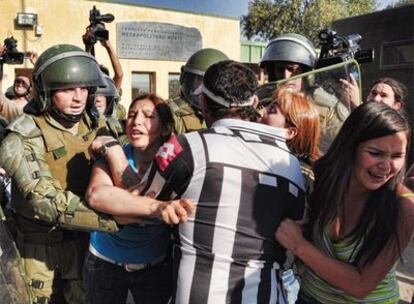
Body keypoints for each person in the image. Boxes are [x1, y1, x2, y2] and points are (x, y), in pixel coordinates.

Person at [127, 60, 306, 303]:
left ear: (202, 103)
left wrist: (111, 154)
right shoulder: (292, 165)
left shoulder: (184, 147)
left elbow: (140, 204)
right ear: (254, 103)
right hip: (268, 294)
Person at [0, 44, 119, 304]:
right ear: (46, 91)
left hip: (85, 244)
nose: (78, 97)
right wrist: (118, 218)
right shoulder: (24, 134)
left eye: (84, 88)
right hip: (38, 249)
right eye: (67, 89)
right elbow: (42, 201)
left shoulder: (97, 123)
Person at [275, 102, 414, 303]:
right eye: (375, 153)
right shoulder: (321, 176)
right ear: (351, 146)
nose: (386, 166)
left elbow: (361, 285)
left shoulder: (403, 207)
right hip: (309, 297)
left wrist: (299, 245)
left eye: (397, 156)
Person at [84, 93, 190, 304]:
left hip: (154, 268)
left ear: (166, 127)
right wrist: (158, 208)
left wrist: (122, 205)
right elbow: (97, 196)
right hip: (105, 264)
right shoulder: (113, 154)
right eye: (132, 115)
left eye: (148, 116)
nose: (136, 121)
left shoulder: (177, 163)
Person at [259, 33, 360, 153]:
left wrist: (356, 106)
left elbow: (347, 142)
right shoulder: (264, 99)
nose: (286, 76)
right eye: (280, 69)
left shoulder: (326, 106)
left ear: (305, 70)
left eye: (292, 69)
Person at [259, 87, 320, 194]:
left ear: (289, 132)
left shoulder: (300, 176)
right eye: (266, 105)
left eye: (272, 110)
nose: (261, 111)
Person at [168, 48, 229, 134]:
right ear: (189, 80)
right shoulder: (170, 113)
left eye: (212, 83)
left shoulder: (229, 114)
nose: (204, 88)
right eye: (201, 80)